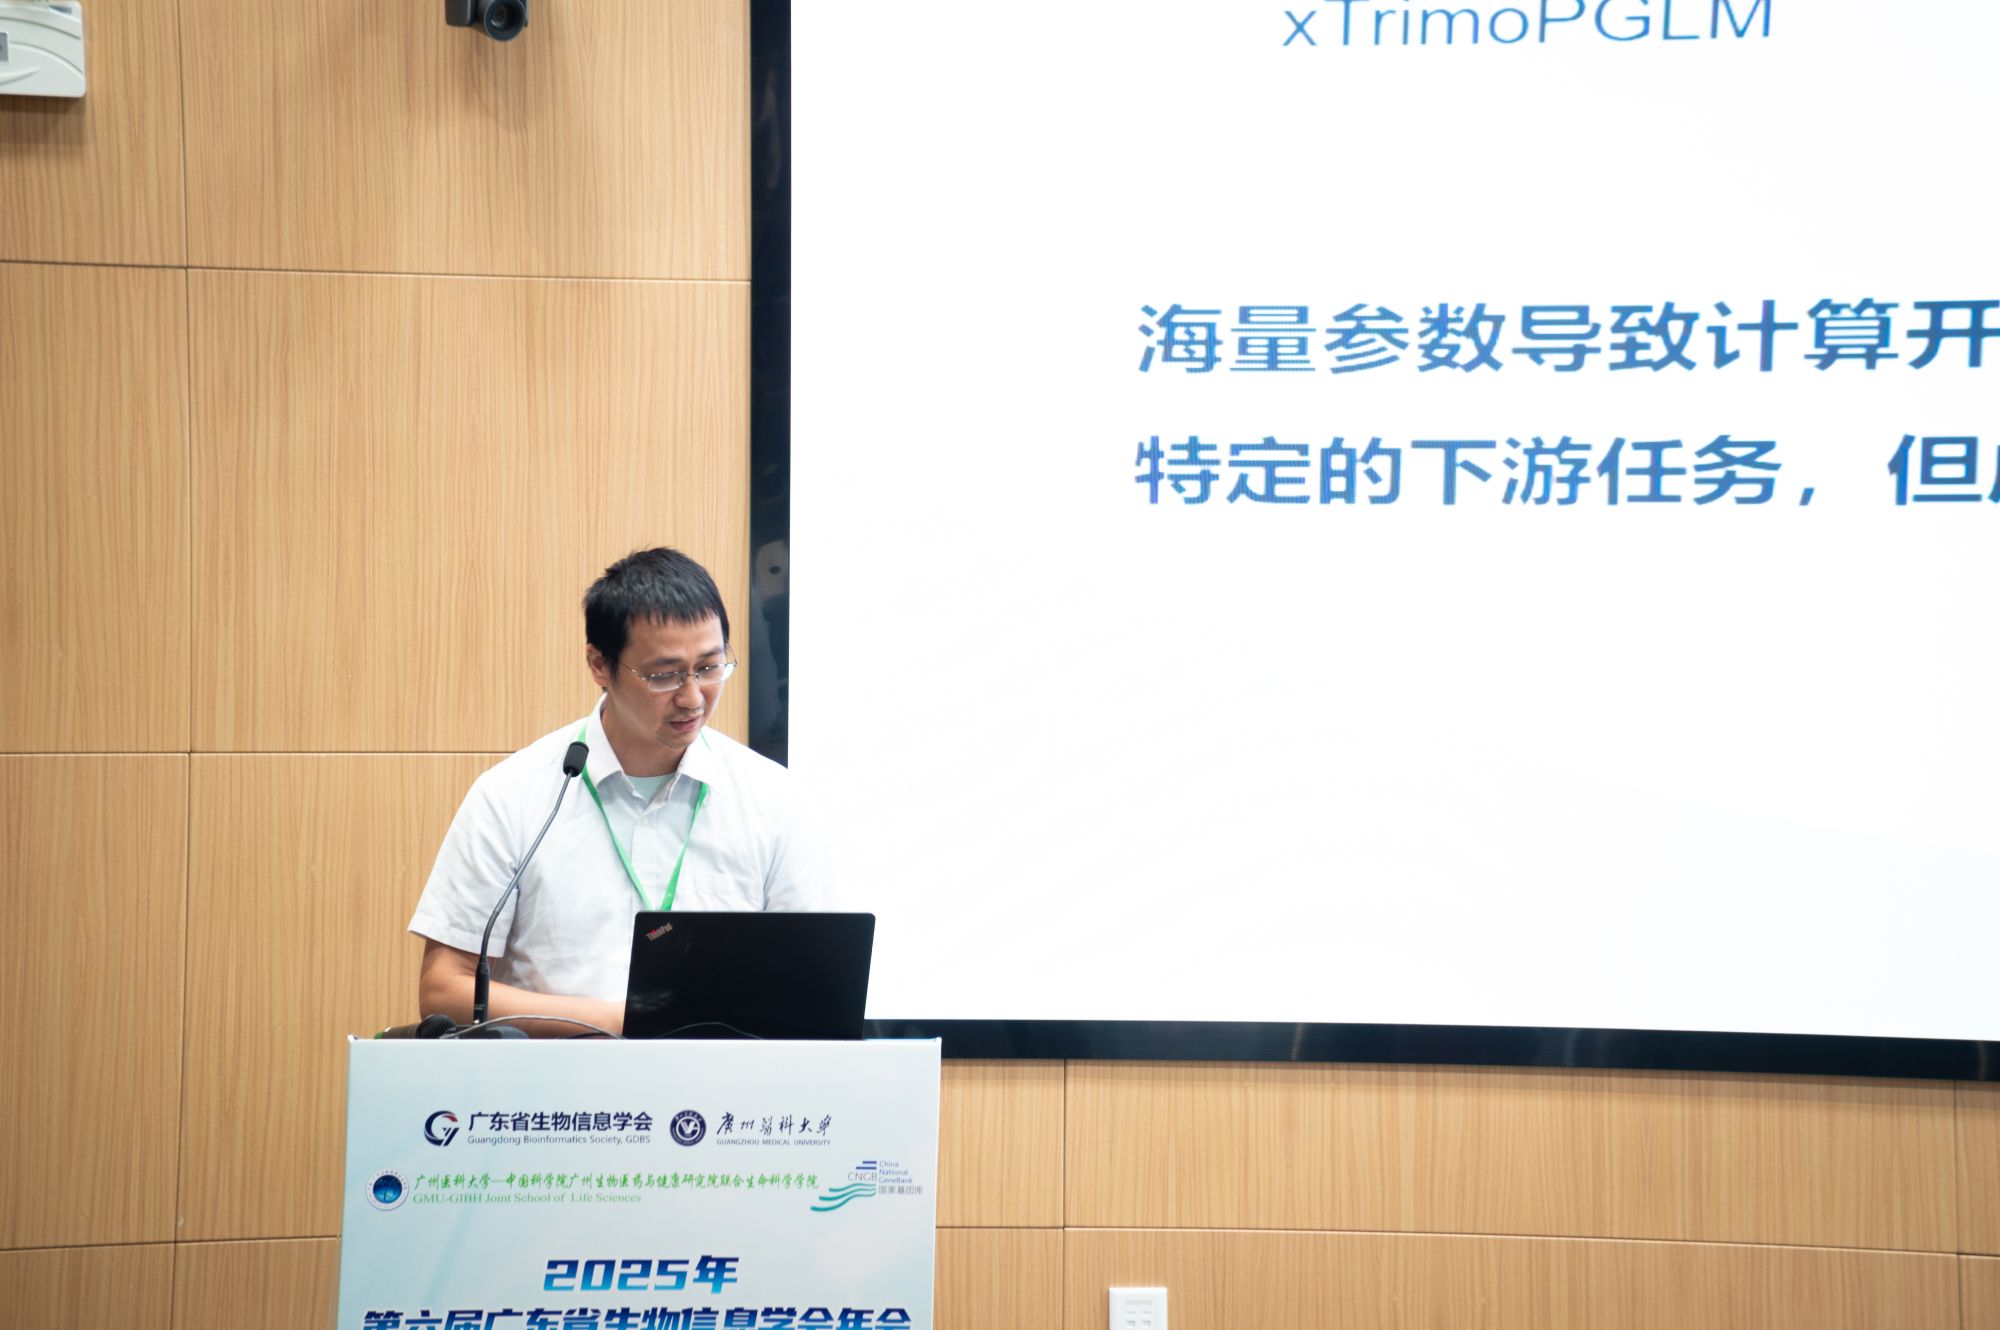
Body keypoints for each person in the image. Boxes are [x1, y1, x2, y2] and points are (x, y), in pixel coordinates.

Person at [409, 547, 822, 1035]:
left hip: (722, 1078)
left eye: (710, 667)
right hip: (557, 1079)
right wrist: (622, 1022)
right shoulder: (514, 796)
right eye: (664, 675)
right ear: (600, 665)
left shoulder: (771, 799)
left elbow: (815, 980)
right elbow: (445, 989)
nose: (692, 697)